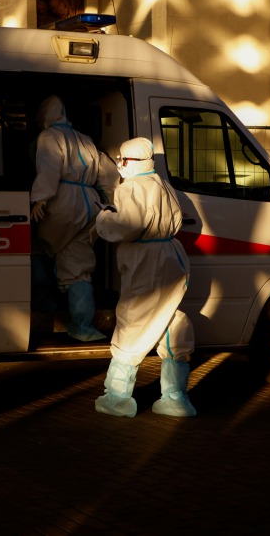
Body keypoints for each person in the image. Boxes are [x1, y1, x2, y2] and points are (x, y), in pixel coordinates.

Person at [92, 137, 196, 417]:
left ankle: (117, 398)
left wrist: (103, 219)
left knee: (132, 320)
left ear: (128, 162)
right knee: (169, 319)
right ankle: (175, 398)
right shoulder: (161, 183)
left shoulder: (131, 188)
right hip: (172, 259)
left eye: (121, 161)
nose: (119, 166)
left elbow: (129, 226)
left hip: (145, 261)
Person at [30, 95, 111, 342]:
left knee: (37, 248)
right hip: (89, 204)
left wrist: (40, 199)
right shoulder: (85, 139)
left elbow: (49, 169)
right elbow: (106, 171)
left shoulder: (49, 137)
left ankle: (45, 305)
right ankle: (83, 325)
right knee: (79, 266)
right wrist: (109, 202)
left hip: (61, 202)